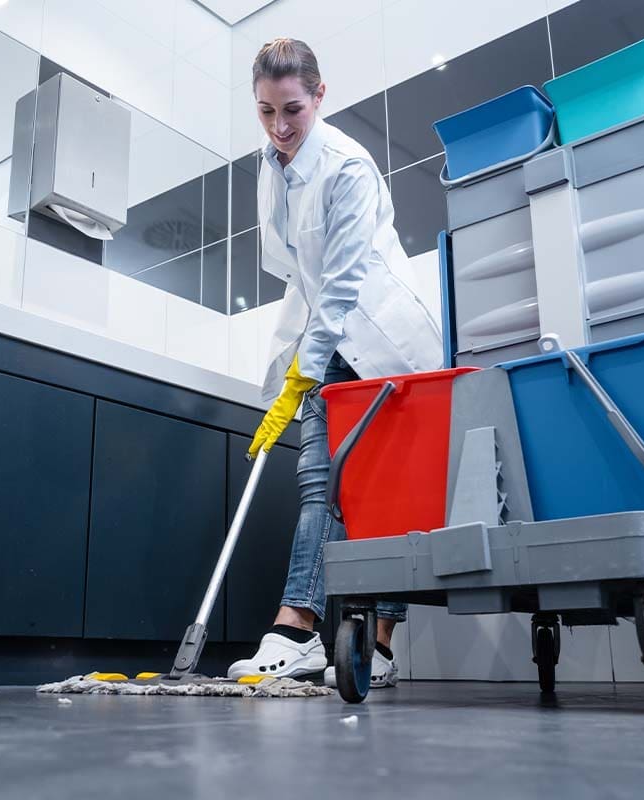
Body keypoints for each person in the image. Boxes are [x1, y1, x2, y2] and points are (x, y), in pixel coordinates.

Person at [227, 38, 443, 688]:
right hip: (326, 341)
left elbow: (344, 284)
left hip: (382, 347)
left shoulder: (347, 166)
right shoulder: (272, 166)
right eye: (265, 111)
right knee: (319, 484)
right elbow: (301, 279)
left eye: (291, 109)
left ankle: (379, 646)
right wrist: (283, 381)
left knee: (389, 498)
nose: (280, 126)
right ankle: (298, 630)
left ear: (319, 95)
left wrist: (305, 369)